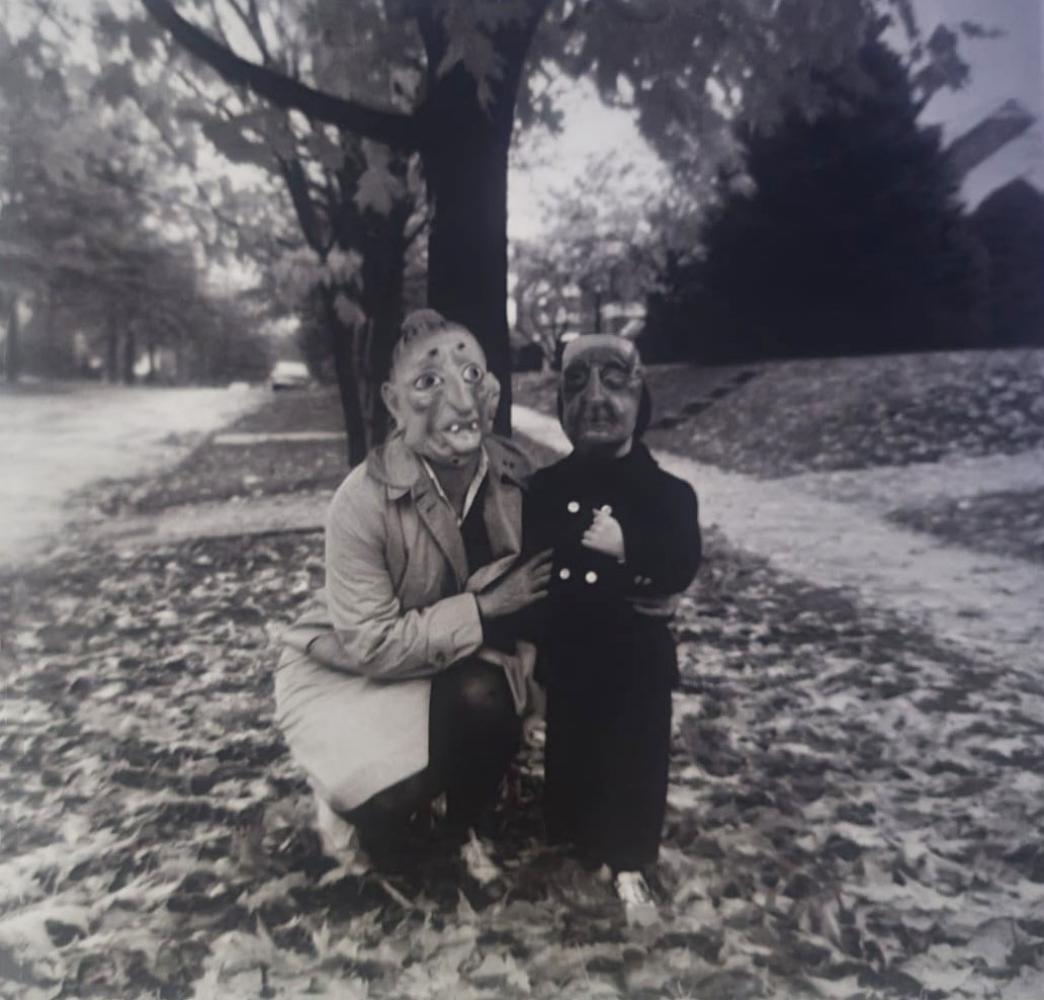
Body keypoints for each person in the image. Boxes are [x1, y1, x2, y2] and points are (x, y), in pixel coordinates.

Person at [274, 309, 552, 870]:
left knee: (485, 700)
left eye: (471, 375)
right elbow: (371, 643)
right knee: (386, 808)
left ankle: (461, 826)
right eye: (428, 382)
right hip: (356, 669)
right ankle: (361, 801)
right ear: (393, 402)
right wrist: (483, 609)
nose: (460, 400)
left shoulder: (519, 479)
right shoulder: (360, 501)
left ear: (493, 391)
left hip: (463, 666)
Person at [523, 334, 702, 910]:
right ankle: (574, 844)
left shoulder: (669, 494)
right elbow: (529, 572)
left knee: (634, 761)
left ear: (640, 398)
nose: (596, 400)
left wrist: (631, 551)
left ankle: (629, 859)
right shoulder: (544, 490)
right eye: (577, 387)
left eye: (615, 384)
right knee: (571, 757)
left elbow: (680, 563)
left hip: (634, 662)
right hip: (570, 655)